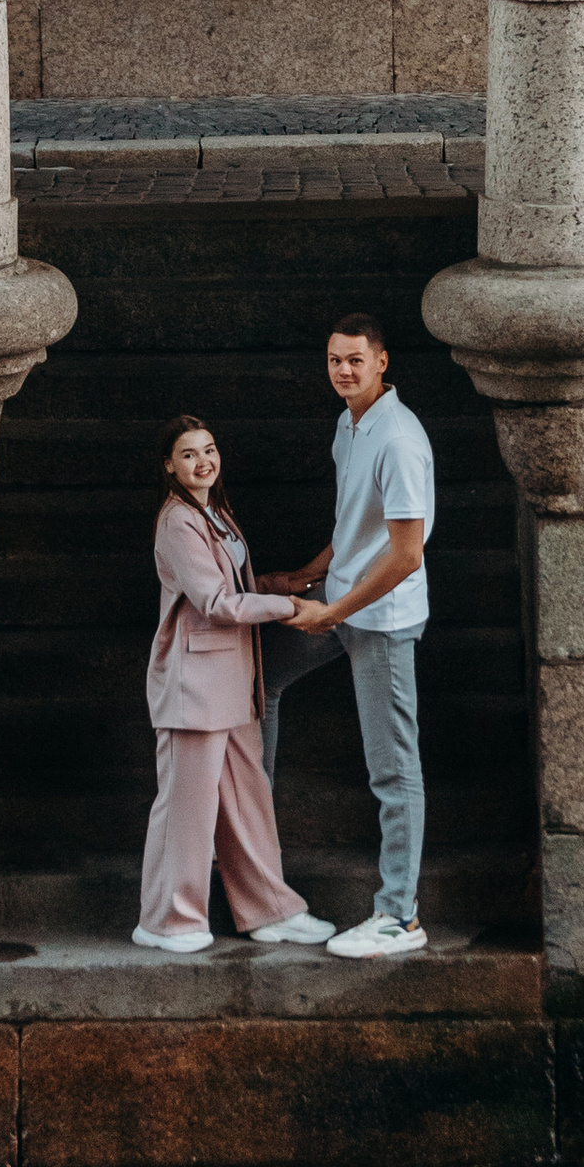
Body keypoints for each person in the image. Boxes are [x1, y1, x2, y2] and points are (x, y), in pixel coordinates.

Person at [259, 314, 435, 960]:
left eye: (357, 360)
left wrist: (330, 614)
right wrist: (305, 577)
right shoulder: (349, 424)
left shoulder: (398, 439)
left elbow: (405, 554)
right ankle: (254, 857)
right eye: (335, 359)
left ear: (382, 362)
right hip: (342, 600)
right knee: (260, 684)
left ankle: (400, 917)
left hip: (381, 619)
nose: (344, 370)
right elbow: (355, 524)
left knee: (393, 769)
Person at [137, 412, 336, 957]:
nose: (203, 461)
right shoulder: (177, 521)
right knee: (186, 808)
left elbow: (236, 584)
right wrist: (291, 607)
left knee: (249, 804)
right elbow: (215, 603)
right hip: (193, 687)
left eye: (209, 449)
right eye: (188, 454)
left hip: (234, 683)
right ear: (169, 467)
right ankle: (166, 920)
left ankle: (271, 911)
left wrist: (282, 582)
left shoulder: (216, 513)